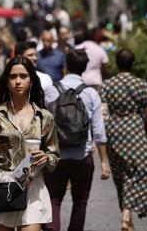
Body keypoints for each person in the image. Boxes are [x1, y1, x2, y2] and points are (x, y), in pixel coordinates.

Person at [0, 56, 60, 231]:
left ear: (31, 80)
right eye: (13, 77)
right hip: (3, 184)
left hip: (33, 185)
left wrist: (46, 158)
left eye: (23, 76)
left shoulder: (44, 117)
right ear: (6, 81)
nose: (18, 81)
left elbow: (55, 156)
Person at [43, 50, 111, 231]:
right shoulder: (91, 93)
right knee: (80, 201)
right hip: (83, 155)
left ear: (66, 67)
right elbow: (99, 132)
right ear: (84, 68)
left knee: (53, 199)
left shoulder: (51, 90)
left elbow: (43, 124)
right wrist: (104, 161)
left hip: (56, 155)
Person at [101, 48, 147, 231]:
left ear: (116, 64)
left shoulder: (108, 84)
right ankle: (128, 215)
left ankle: (127, 218)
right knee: (140, 173)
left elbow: (103, 112)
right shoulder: (140, 83)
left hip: (114, 131)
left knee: (121, 177)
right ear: (133, 64)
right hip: (134, 130)